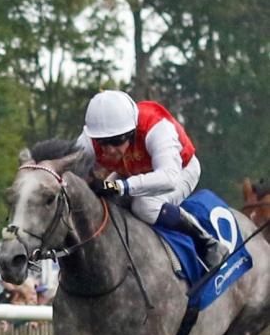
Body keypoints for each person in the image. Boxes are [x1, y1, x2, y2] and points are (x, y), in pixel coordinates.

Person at [78, 90, 229, 270]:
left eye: (116, 140)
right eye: (103, 142)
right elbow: (69, 170)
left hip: (180, 170)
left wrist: (118, 186)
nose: (109, 150)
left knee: (144, 206)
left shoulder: (157, 127)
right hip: (132, 171)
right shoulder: (88, 139)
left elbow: (168, 178)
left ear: (131, 131)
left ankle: (207, 242)